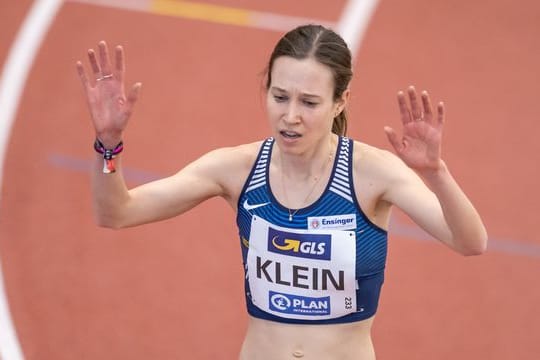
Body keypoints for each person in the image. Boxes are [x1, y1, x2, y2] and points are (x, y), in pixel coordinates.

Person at [76, 24, 487, 360]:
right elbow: (116, 212)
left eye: (309, 102)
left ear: (340, 102)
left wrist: (436, 173)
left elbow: (471, 242)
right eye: (279, 97)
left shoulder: (371, 173)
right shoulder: (236, 169)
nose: (290, 117)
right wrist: (108, 144)